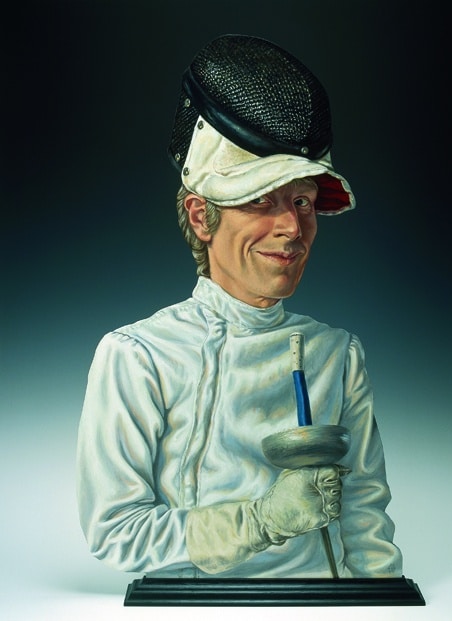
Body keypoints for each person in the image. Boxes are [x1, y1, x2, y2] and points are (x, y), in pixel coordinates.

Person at [77, 34, 403, 579]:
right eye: (261, 201)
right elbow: (116, 533)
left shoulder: (338, 354)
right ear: (200, 217)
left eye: (302, 201)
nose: (292, 227)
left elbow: (364, 509)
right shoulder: (137, 356)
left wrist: (382, 600)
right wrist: (260, 521)